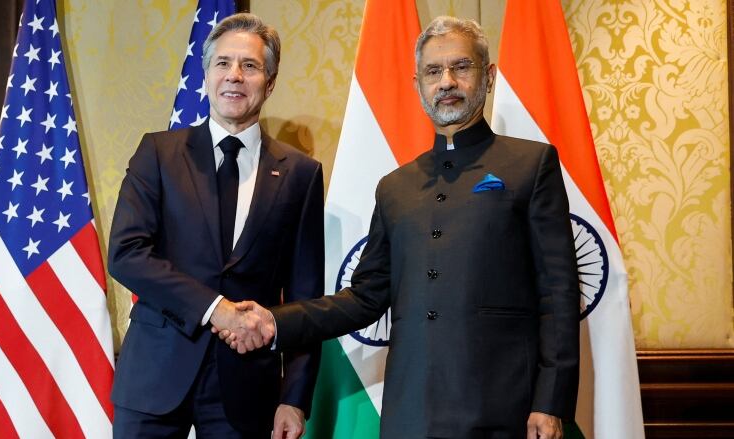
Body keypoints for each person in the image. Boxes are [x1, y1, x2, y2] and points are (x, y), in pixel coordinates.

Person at [219, 16, 580, 439]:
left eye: (461, 67)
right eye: (432, 71)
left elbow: (558, 292)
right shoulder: (395, 187)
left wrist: (550, 401)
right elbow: (364, 299)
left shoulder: (531, 165)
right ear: (417, 85)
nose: (446, 81)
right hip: (411, 411)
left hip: (504, 407)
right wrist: (274, 321)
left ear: (489, 76)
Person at [107, 13, 324, 439]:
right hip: (155, 377)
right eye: (223, 63)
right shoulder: (159, 153)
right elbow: (127, 254)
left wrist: (294, 396)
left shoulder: (300, 173)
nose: (234, 76)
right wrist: (216, 309)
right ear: (206, 75)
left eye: (250, 65)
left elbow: (305, 296)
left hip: (247, 387)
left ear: (271, 80)